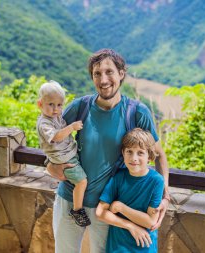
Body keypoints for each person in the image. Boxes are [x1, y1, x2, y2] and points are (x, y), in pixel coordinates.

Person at [47, 48, 170, 253]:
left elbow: (159, 155)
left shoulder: (136, 112)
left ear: (121, 74)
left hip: (105, 206)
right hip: (70, 199)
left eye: (109, 72)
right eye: (97, 74)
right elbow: (50, 140)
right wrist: (50, 166)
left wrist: (165, 196)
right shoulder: (80, 107)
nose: (103, 80)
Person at [96, 128, 164, 252]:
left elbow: (150, 221)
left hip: (144, 245)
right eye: (129, 152)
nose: (134, 158)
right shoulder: (118, 177)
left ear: (149, 156)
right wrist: (131, 226)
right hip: (118, 247)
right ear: (123, 153)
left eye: (140, 153)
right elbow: (100, 213)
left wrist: (120, 207)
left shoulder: (156, 181)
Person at [36, 81, 91, 227]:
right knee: (81, 181)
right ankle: (77, 210)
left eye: (59, 105)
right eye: (51, 104)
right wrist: (72, 127)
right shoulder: (44, 123)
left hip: (67, 155)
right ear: (40, 104)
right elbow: (56, 136)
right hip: (65, 159)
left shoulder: (56, 117)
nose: (55, 109)